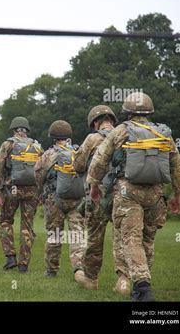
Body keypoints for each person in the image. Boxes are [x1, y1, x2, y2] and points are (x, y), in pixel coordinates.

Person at [87, 92, 180, 301]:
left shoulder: (121, 131)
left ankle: (142, 286)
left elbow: (99, 161)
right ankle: (140, 286)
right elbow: (177, 166)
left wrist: (94, 186)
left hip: (128, 192)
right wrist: (178, 194)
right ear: (150, 112)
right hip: (156, 194)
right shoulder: (163, 133)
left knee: (131, 239)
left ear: (127, 112)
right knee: (147, 241)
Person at [73, 105, 129, 293]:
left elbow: (78, 166)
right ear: (112, 120)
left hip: (97, 195)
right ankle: (123, 281)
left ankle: (91, 278)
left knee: (95, 239)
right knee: (122, 238)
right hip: (124, 194)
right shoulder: (125, 135)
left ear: (95, 123)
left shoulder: (92, 138)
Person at [34, 120, 85, 278]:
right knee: (77, 234)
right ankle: (79, 268)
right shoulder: (77, 151)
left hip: (54, 198)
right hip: (77, 198)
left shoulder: (49, 154)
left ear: (53, 136)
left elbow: (38, 174)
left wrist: (40, 193)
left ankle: (51, 270)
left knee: (54, 235)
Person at [0, 117, 43, 273]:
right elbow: (43, 170)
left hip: (11, 189)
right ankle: (24, 264)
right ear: (26, 129)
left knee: (5, 221)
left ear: (14, 129)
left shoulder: (8, 144)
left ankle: (10, 257)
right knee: (27, 226)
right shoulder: (37, 146)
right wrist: (41, 192)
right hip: (32, 190)